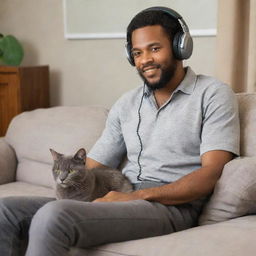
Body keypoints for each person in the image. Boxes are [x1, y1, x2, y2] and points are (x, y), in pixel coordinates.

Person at [0, 6, 239, 256]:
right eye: (137, 52)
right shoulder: (126, 103)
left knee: (55, 216)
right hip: (120, 194)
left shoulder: (213, 95)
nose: (145, 59)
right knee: (6, 210)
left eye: (154, 48)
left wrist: (139, 196)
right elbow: (92, 165)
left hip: (171, 206)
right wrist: (75, 194)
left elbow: (212, 173)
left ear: (181, 46)